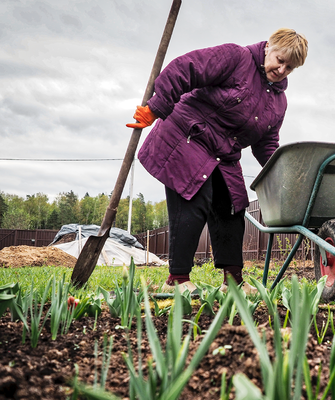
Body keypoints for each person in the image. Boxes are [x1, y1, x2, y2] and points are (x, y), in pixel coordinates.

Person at [126, 28, 308, 294]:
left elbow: (266, 143)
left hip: (224, 154)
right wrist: (157, 107)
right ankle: (178, 279)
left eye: (290, 68)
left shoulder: (278, 102)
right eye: (280, 60)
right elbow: (186, 69)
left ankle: (233, 282)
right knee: (194, 201)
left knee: (233, 208)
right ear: (268, 47)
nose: (282, 70)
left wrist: (281, 174)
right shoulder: (236, 58)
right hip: (188, 136)